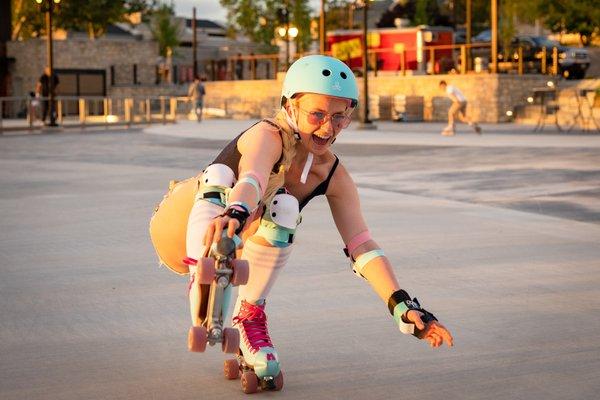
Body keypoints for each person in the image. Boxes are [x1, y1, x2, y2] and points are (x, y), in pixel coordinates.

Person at [185, 55, 453, 385]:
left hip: (248, 241)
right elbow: (252, 176)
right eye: (318, 114)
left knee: (285, 208)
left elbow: (362, 245)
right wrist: (237, 211)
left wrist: (403, 307)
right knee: (220, 174)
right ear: (290, 106)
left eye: (340, 118)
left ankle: (248, 316)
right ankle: (203, 269)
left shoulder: (332, 174)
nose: (328, 128)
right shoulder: (267, 135)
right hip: (200, 222)